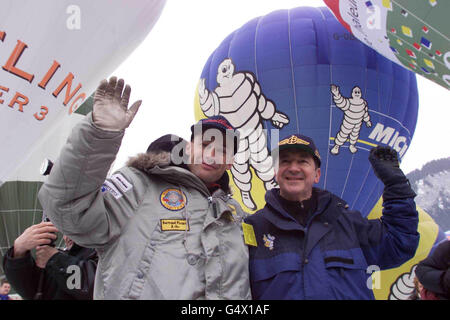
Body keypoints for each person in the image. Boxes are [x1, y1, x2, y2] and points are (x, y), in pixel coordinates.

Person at [38, 77, 251, 300]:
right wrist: (99, 135)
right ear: (188, 148)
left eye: (222, 150)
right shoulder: (140, 184)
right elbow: (71, 212)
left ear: (230, 162)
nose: (211, 155)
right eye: (205, 145)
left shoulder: (235, 215)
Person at [244, 133, 420, 299]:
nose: (293, 168)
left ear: (317, 175)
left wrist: (396, 184)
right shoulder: (253, 228)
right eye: (285, 162)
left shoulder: (348, 223)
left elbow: (399, 243)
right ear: (276, 172)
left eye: (303, 162)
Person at [2, 221, 98, 300]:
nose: (65, 237)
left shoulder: (107, 256)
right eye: (64, 231)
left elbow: (97, 287)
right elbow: (31, 288)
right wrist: (18, 252)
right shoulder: (57, 258)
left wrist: (55, 260)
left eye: (71, 230)